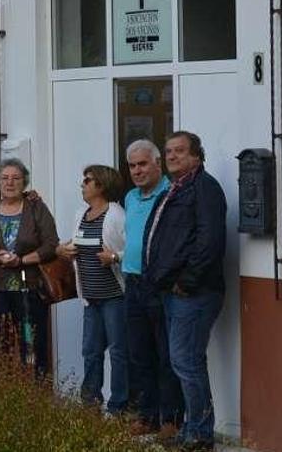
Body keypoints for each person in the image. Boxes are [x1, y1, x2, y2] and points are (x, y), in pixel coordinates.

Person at [143, 131, 227, 452]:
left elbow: (209, 242)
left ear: (196, 155)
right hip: (170, 291)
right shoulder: (175, 189)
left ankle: (201, 434)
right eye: (168, 151)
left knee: (186, 361)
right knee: (185, 361)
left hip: (193, 293)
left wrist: (186, 282)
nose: (172, 156)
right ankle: (194, 428)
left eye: (180, 151)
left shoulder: (204, 189)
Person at [0, 158, 59, 377]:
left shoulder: (36, 208)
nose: (10, 182)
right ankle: (2, 395)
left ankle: (36, 395)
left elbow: (51, 244)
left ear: (24, 183)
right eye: (5, 178)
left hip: (29, 290)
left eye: (16, 178)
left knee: (32, 345)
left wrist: (21, 260)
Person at [122, 139, 183, 438]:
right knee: (139, 353)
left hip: (158, 285)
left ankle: (171, 419)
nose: (137, 170)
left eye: (143, 164)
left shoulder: (171, 194)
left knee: (165, 354)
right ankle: (147, 416)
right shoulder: (130, 197)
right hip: (131, 283)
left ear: (158, 163)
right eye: (132, 166)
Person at [57, 165, 128, 416]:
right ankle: (90, 403)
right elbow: (70, 245)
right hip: (90, 297)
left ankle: (119, 406)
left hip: (114, 296)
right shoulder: (81, 214)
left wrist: (115, 257)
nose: (82, 184)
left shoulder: (117, 215)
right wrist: (60, 250)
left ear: (102, 185)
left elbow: (131, 251)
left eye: (88, 180)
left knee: (119, 352)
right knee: (91, 351)